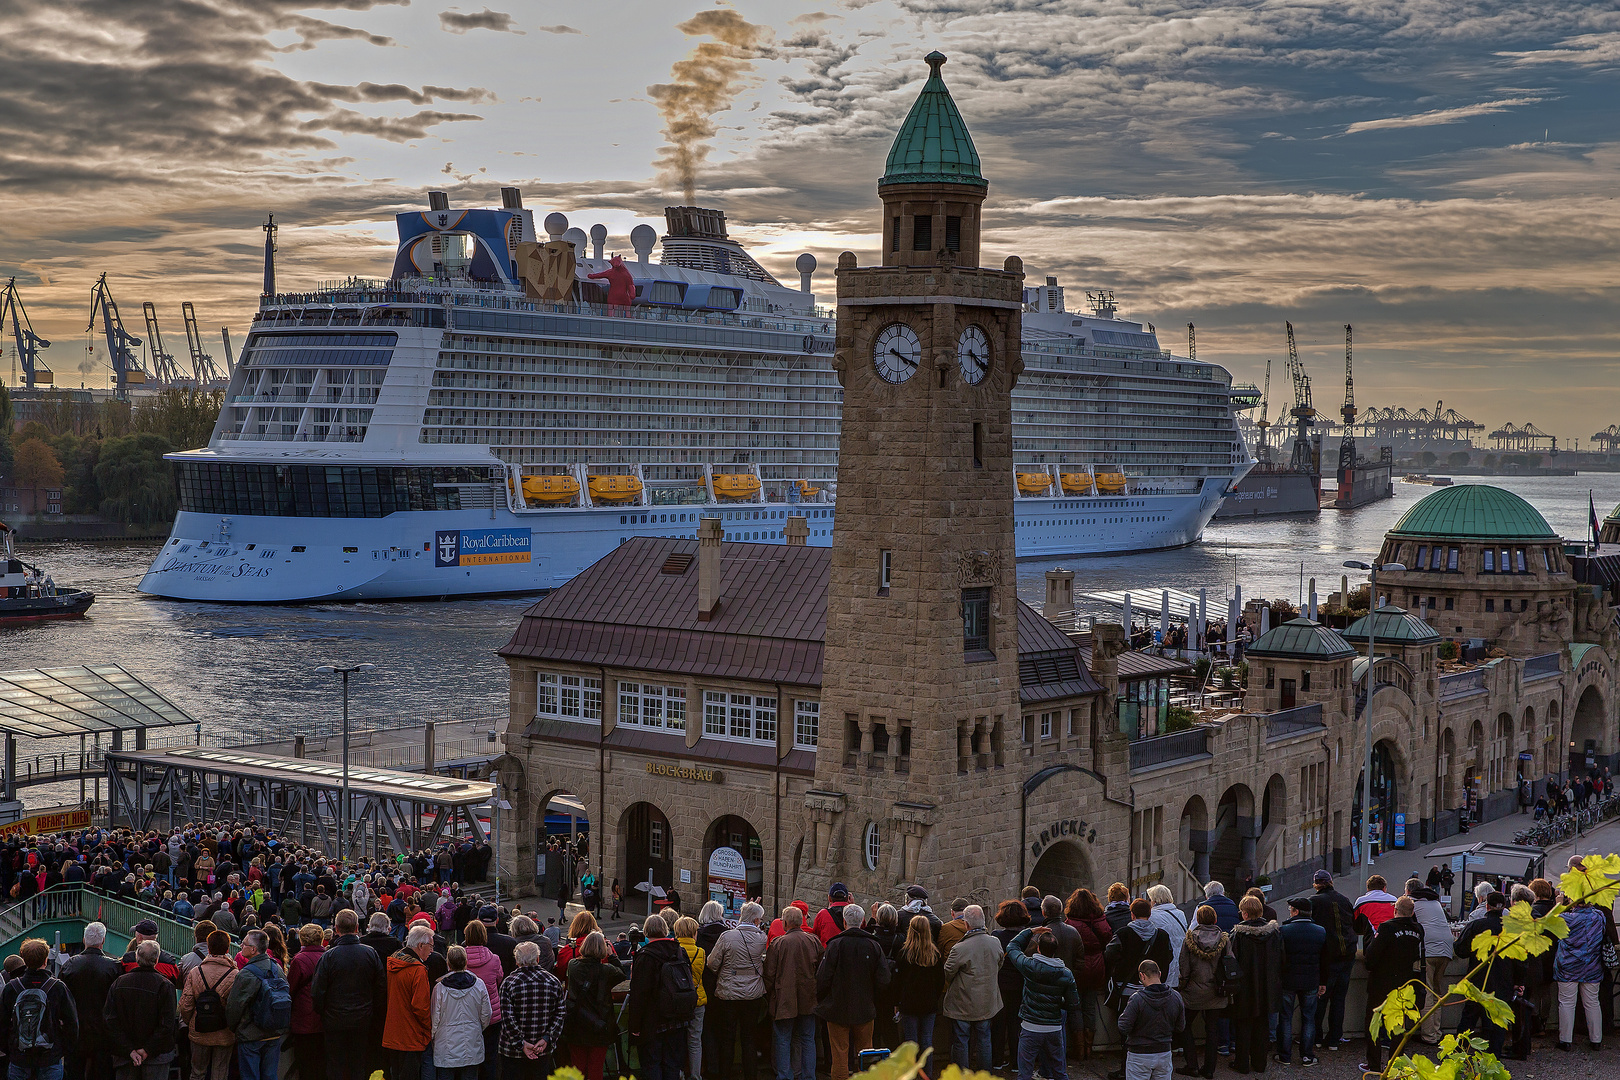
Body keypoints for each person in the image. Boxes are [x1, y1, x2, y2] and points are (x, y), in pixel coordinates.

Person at [814, 904, 889, 1080]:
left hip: (837, 1007)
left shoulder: (835, 945)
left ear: (844, 921)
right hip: (864, 1006)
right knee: (866, 1054)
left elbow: (822, 978)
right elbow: (884, 979)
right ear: (862, 921)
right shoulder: (873, 945)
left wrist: (825, 997)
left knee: (839, 1055)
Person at [313, 908, 387, 1080]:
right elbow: (380, 987)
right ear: (356, 928)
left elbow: (317, 991)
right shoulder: (369, 953)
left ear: (336, 929)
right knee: (358, 1063)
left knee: (335, 1064)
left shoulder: (329, 956)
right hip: (362, 1018)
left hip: (334, 1019)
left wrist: (324, 1012)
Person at [1005, 926, 1081, 1080]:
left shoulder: (1029, 965)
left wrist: (1031, 931)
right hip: (1054, 1027)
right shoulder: (1066, 973)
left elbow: (1012, 947)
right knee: (1059, 1071)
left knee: (1025, 1073)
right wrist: (1058, 1001)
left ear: (1038, 948)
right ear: (1055, 950)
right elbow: (1073, 1004)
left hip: (1030, 1026)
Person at [1453, 893, 1523, 1057]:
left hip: (1479, 977)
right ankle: (1494, 1055)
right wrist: (1518, 980)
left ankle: (1459, 1050)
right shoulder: (1512, 929)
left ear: (1487, 906)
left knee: (1469, 1017)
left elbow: (1460, 949)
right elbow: (1521, 959)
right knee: (1498, 1020)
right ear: (1504, 908)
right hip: (1503, 979)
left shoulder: (1476, 926)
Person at [0, 937, 79, 1080]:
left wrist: (11, 1049)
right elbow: (72, 1024)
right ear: (46, 960)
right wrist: (60, 1050)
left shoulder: (11, 988)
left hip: (19, 1057)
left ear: (23, 959)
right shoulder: (57, 987)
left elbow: (2, 1024)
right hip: (49, 1057)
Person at [1360, 896, 1424, 1072]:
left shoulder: (1387, 928)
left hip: (1382, 983)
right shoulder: (1418, 930)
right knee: (1399, 1026)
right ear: (1412, 912)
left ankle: (1373, 1063)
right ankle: (1395, 1064)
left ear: (1395, 910)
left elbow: (1371, 957)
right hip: (1406, 983)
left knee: (1373, 1023)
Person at [624, 914, 690, 1080]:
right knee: (672, 1065)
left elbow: (639, 994)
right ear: (665, 930)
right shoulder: (679, 951)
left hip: (652, 1022)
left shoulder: (645, 956)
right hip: (678, 1018)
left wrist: (635, 1027)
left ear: (645, 932)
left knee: (652, 1064)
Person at [709, 901, 768, 1080]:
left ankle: (725, 1074)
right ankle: (751, 1075)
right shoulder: (762, 939)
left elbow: (712, 963)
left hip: (728, 993)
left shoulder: (727, 937)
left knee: (727, 1037)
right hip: (753, 994)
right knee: (749, 1037)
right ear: (757, 921)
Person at [105, 940, 179, 1080]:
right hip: (157, 1057)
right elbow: (167, 1024)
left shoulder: (119, 983)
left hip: (125, 1056)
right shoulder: (165, 986)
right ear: (156, 960)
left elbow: (110, 1020)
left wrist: (129, 1050)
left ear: (136, 958)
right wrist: (147, 1050)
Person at [942, 904, 1003, 1072]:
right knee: (984, 1039)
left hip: (963, 1002)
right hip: (987, 1002)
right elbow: (999, 964)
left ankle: (962, 1074)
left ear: (966, 924)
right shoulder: (995, 942)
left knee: (961, 1039)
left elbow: (947, 973)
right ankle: (985, 1073)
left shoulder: (960, 948)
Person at [763, 905, 821, 1080]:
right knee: (807, 1039)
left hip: (784, 999)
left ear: (785, 923)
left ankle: (784, 1076)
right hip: (809, 998)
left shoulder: (778, 943)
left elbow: (769, 974)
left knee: (783, 1039)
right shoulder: (813, 941)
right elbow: (821, 970)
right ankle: (808, 1076)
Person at [1227, 896, 1282, 1075]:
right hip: (1267, 988)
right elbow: (1281, 959)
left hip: (1245, 988)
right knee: (1262, 1026)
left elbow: (1231, 963)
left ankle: (1242, 1063)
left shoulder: (1238, 935)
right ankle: (1260, 1063)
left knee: (1243, 1026)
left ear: (1244, 913)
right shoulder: (1273, 933)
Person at [224, 930, 288, 1080]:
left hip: (250, 1034)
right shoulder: (276, 969)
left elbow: (235, 1006)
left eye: (244, 944)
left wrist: (235, 1028)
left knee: (250, 1076)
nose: (241, 945)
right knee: (270, 1075)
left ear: (253, 949)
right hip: (273, 1031)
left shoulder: (246, 974)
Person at [60, 921, 120, 1080]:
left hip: (76, 1029)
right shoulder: (114, 967)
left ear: (84, 940)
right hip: (103, 1032)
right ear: (103, 941)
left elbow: (61, 998)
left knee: (74, 1072)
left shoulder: (70, 965)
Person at [562, 932, 625, 1080]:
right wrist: (612, 956)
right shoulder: (606, 970)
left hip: (577, 1022)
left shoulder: (573, 965)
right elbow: (622, 974)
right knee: (596, 1068)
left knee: (578, 1067)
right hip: (599, 1024)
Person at [1177, 906, 1229, 1079]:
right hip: (1216, 991)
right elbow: (1230, 964)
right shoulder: (1223, 939)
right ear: (1215, 920)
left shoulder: (1190, 939)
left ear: (1197, 921)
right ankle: (1209, 1069)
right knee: (1212, 1029)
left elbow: (1184, 967)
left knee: (1184, 1026)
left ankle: (1191, 1064)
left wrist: (1183, 986)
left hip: (1193, 991)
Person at [1307, 870, 1355, 1054]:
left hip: (1327, 957)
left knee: (1321, 998)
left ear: (1316, 884)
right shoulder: (1344, 900)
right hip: (1347, 956)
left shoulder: (1313, 901)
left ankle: (1316, 1038)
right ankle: (1334, 1039)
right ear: (1331, 882)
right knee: (1339, 1000)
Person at [1553, 884, 1606, 1051]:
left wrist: (1559, 903)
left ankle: (1565, 1040)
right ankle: (1596, 1039)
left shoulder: (1566, 918)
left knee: (1567, 1003)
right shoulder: (1599, 916)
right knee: (1592, 1003)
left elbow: (1550, 921)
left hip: (1568, 966)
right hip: (1592, 965)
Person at [179, 930, 237, 1080]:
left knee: (197, 1072)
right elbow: (237, 1006)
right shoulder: (235, 974)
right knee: (220, 1073)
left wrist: (190, 1022)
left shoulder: (195, 972)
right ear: (228, 949)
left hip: (199, 1030)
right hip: (224, 1032)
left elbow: (186, 1005)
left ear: (209, 948)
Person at [1274, 896, 1324, 1067]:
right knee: (1309, 1018)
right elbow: (1324, 960)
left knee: (1285, 1018)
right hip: (1311, 980)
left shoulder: (1283, 931)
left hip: (1287, 980)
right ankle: (1307, 1056)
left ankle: (1285, 1055)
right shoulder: (1320, 931)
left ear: (1295, 911)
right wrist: (1322, 982)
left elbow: (1278, 958)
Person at [1404, 878, 1454, 1045]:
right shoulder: (1435, 902)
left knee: (1426, 991)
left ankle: (1428, 1035)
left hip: (1428, 950)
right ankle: (1436, 1032)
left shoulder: (1412, 903)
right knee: (1437, 992)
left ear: (1408, 891)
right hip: (1446, 948)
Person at [382, 925, 435, 1080]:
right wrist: (428, 1029)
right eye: (431, 946)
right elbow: (421, 1007)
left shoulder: (393, 962)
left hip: (393, 1032)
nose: (432, 950)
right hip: (411, 1035)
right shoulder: (418, 970)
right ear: (420, 946)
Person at [432, 945, 493, 1080]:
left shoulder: (440, 988)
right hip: (472, 1044)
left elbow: (434, 1018)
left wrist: (433, 1037)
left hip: (445, 1046)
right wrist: (477, 1027)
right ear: (466, 962)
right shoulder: (479, 984)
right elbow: (486, 1014)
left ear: (448, 964)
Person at [1065, 889, 1112, 1062]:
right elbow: (1108, 938)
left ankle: (1079, 1050)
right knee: (1090, 1007)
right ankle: (1089, 1048)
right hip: (1097, 966)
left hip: (1078, 967)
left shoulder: (1071, 922)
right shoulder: (1101, 920)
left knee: (1075, 1008)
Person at [1118, 960, 1185, 1080]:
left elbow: (1124, 1026)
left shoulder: (1137, 999)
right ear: (1159, 974)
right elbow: (1180, 1027)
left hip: (1139, 1054)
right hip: (1164, 1052)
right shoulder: (1175, 997)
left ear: (1142, 975)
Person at [1104, 899, 1172, 1016]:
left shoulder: (1122, 934)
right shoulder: (1163, 936)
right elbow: (1169, 957)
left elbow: (1108, 955)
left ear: (1132, 914)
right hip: (1153, 991)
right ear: (1150, 914)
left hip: (1126, 990)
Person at [893, 914, 946, 1051]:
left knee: (911, 1041)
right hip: (929, 1003)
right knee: (927, 1041)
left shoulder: (904, 954)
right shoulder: (934, 955)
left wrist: (897, 1002)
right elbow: (941, 980)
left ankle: (913, 1072)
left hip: (909, 1003)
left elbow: (897, 981)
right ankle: (926, 1072)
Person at [462, 919, 506, 1078]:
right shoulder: (494, 959)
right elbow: (499, 979)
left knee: (468, 1055)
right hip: (492, 1013)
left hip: (467, 1013)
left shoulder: (459, 959)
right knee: (490, 1054)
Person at [671, 916, 707, 1080]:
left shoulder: (672, 952)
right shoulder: (701, 952)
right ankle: (695, 1075)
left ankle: (678, 1073)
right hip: (696, 999)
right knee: (695, 1040)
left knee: (676, 1039)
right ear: (694, 932)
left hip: (676, 1000)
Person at [287, 923, 325, 1079]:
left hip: (303, 1017)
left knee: (305, 1061)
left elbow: (291, 988)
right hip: (324, 1016)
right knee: (321, 1061)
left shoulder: (299, 959)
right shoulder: (328, 956)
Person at [1352, 875, 1398, 944]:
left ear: (1368, 889)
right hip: (1394, 939)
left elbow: (1353, 922)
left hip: (1372, 942)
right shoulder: (1394, 900)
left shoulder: (1361, 901)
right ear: (1384, 888)